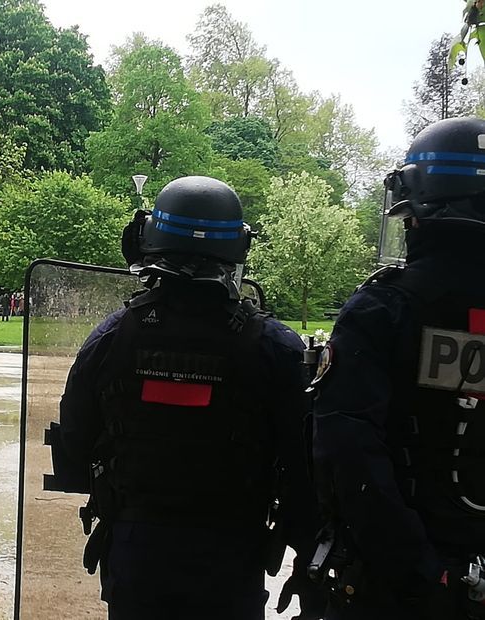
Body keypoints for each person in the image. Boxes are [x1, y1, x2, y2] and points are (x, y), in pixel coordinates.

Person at [59, 176, 323, 620]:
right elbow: (306, 472)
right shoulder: (276, 347)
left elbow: (73, 449)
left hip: (136, 556)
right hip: (230, 559)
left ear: (148, 240)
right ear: (238, 247)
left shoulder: (110, 338)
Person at [312, 117, 485, 620]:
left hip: (397, 587)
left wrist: (424, 572)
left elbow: (347, 452)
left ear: (416, 211)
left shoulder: (382, 309)